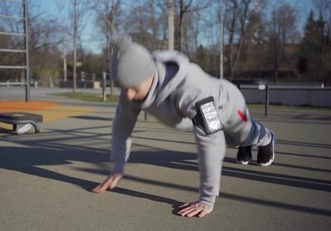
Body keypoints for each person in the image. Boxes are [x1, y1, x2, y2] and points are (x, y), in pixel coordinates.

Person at [92, 35, 276, 218]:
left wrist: (207, 198)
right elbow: (121, 126)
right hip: (199, 113)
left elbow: (211, 142)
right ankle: (241, 144)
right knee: (231, 141)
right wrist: (118, 165)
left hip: (229, 104)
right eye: (124, 88)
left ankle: (267, 138)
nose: (129, 95)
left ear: (149, 75)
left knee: (244, 133)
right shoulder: (131, 89)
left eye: (133, 87)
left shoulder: (192, 89)